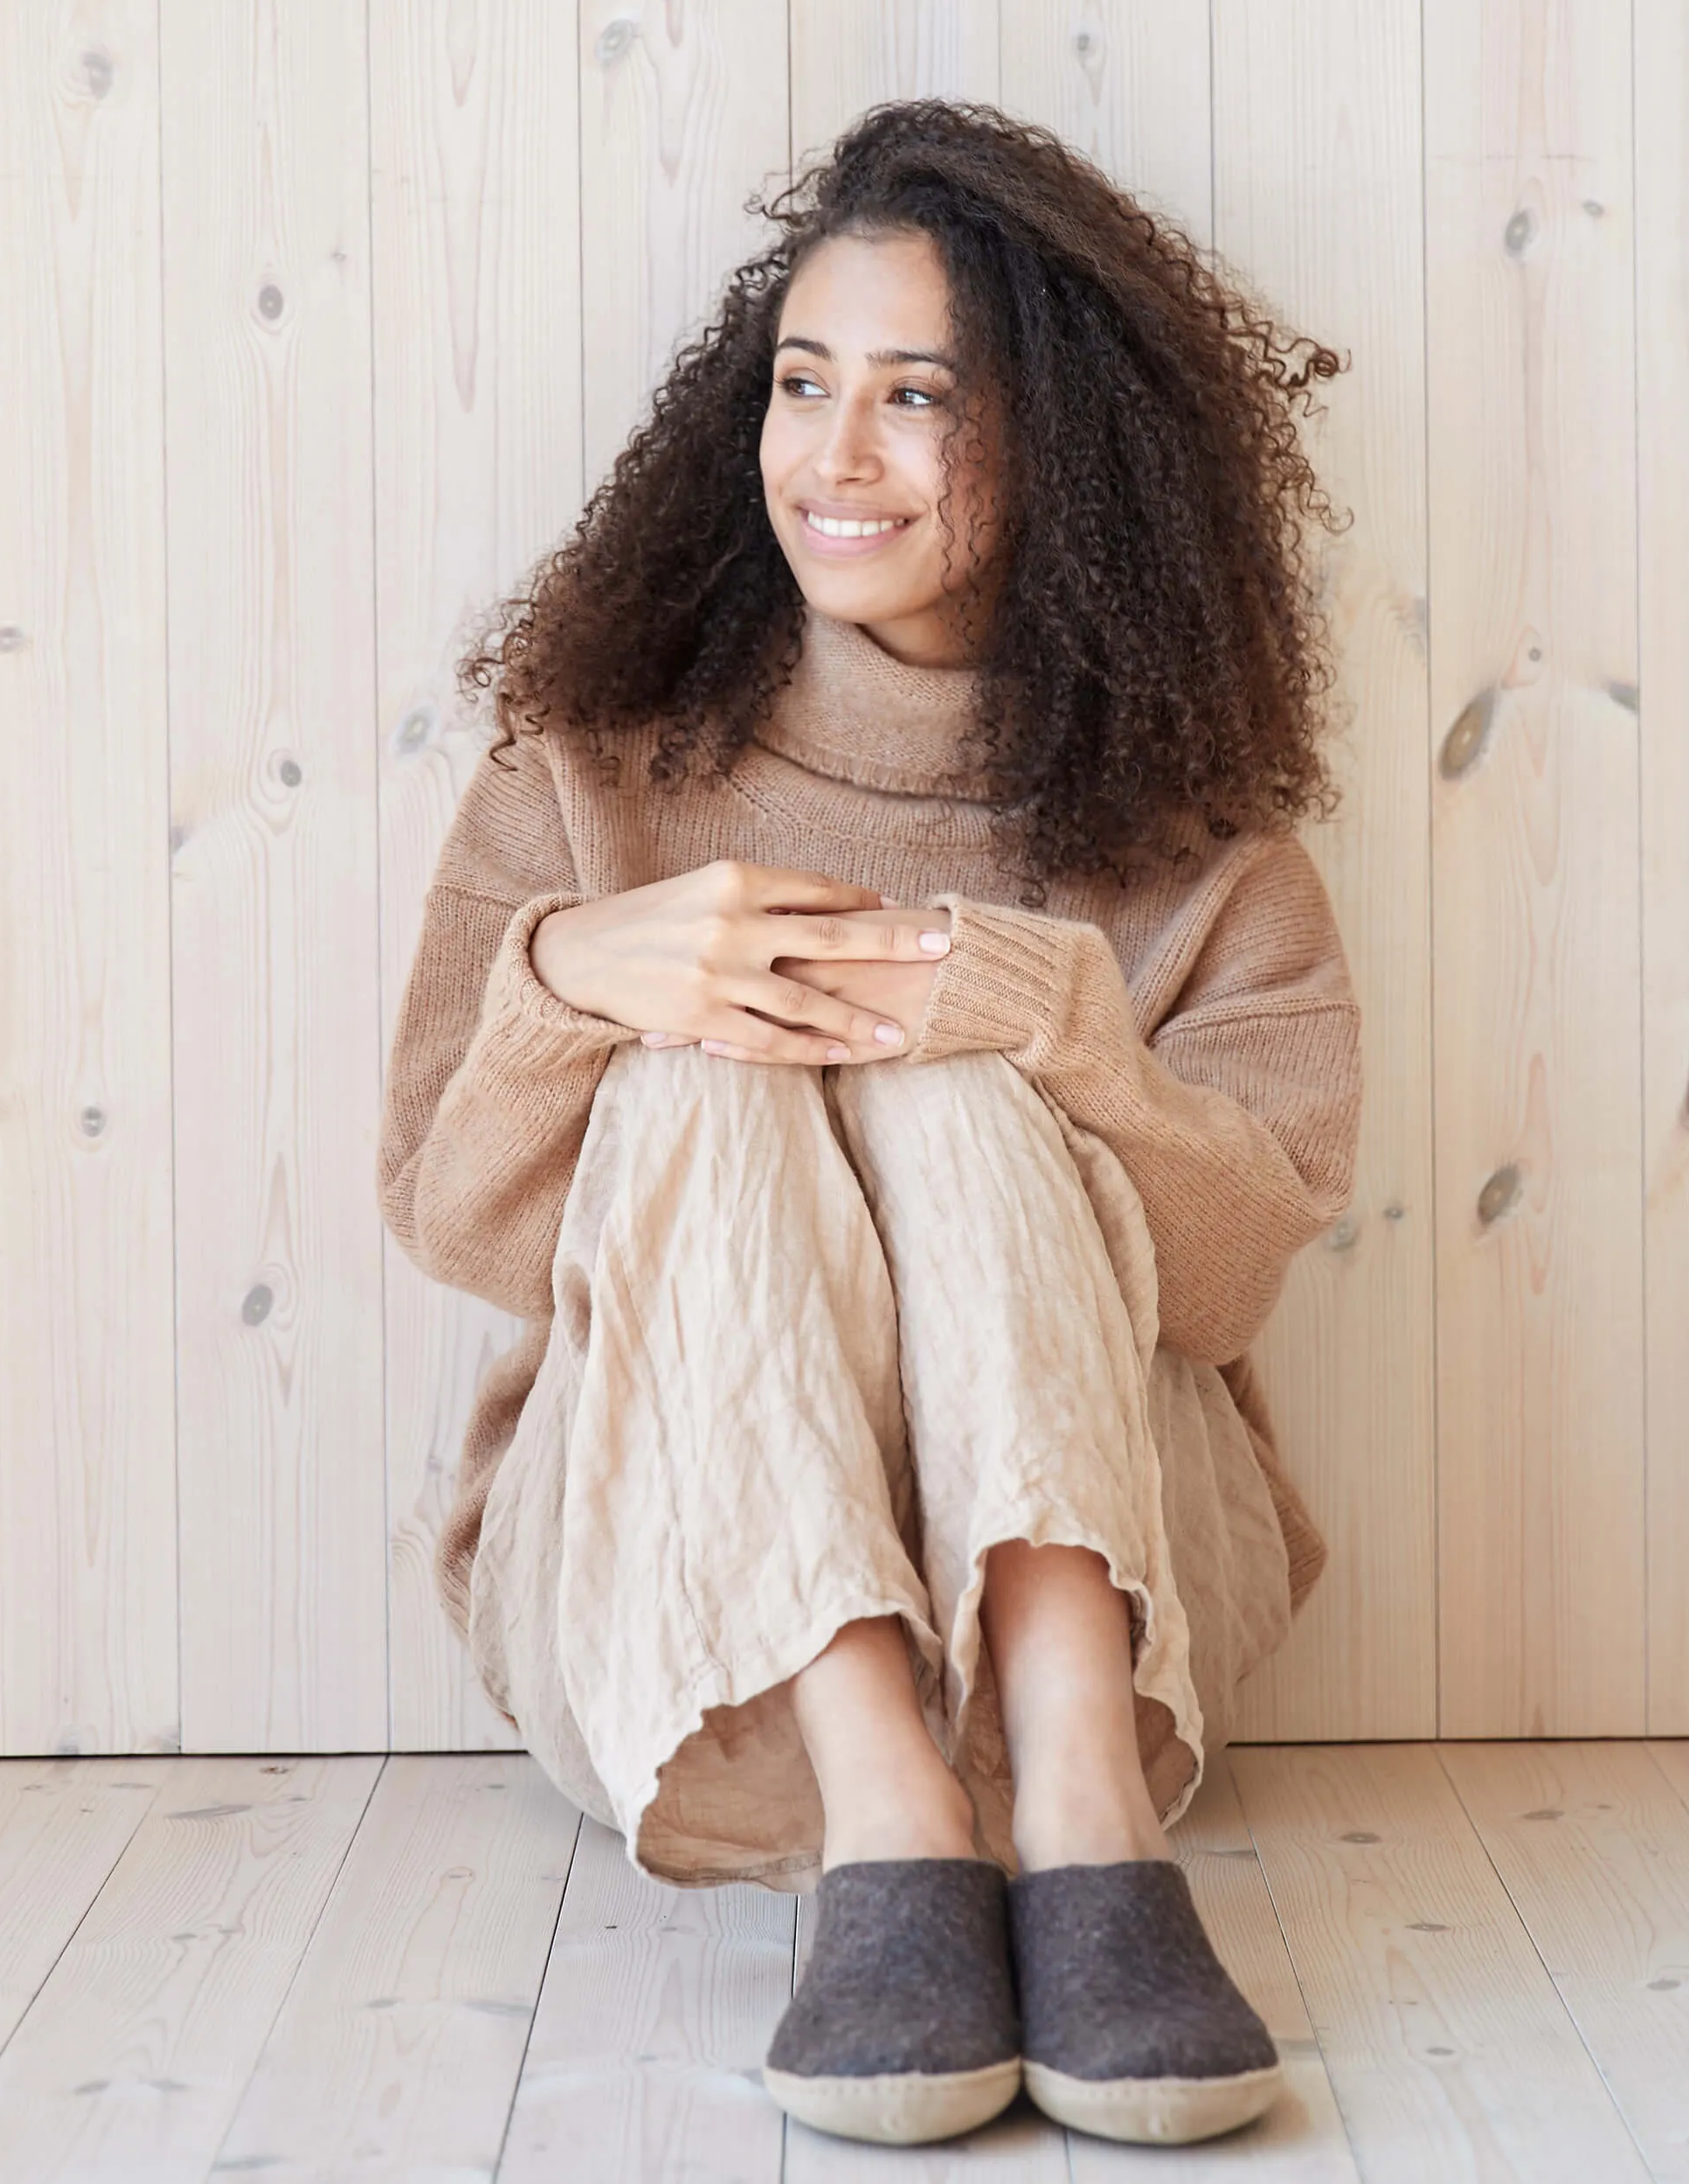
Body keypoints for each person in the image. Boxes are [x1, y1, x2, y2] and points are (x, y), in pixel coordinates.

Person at [377, 100, 1363, 2150]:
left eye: (913, 398)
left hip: (1106, 1666)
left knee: (960, 1045)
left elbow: (1239, 1273)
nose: (830, 456)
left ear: (1061, 453)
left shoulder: (1211, 859)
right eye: (801, 385)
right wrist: (574, 984)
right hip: (681, 1669)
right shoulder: (582, 785)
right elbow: (457, 1226)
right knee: (715, 1045)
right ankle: (886, 1815)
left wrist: (1068, 1032)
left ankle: (1070, 1807)